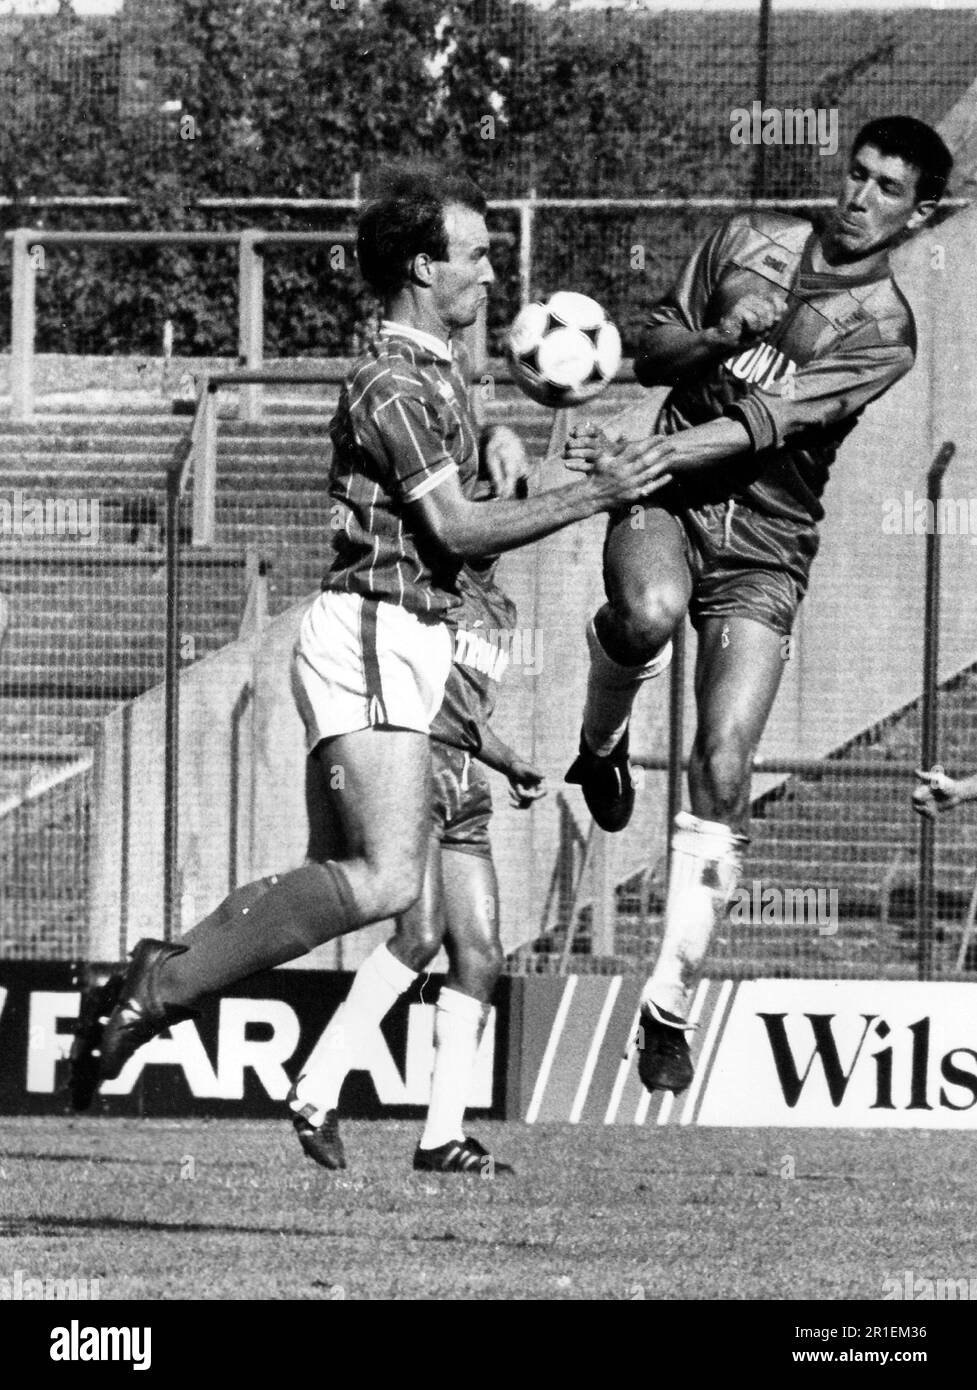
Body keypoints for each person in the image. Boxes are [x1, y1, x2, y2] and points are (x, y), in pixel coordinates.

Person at [68, 166, 672, 1109]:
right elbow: (456, 533)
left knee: (340, 876)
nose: (488, 271)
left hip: (405, 642)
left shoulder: (435, 374)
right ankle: (157, 987)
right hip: (374, 632)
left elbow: (461, 500)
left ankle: (153, 981)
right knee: (388, 880)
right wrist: (601, 493)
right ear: (424, 267)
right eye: (474, 253)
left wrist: (522, 448)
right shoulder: (390, 379)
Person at [564, 116, 953, 1094]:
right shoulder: (745, 237)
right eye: (855, 174)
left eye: (886, 189)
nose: (858, 198)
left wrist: (645, 449)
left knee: (724, 759)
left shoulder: (883, 333)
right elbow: (648, 350)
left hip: (766, 542)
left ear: (919, 213)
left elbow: (762, 423)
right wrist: (706, 335)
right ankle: (599, 744)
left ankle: (665, 1003)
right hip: (669, 505)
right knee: (645, 615)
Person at [291, 549, 541, 1176]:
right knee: (419, 934)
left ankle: (442, 1138)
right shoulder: (429, 592)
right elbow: (431, 706)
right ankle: (315, 1091)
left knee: (482, 956)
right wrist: (508, 756)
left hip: (464, 789)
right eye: (483, 488)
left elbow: (471, 707)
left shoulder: (501, 608)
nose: (497, 505)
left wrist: (494, 761)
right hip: (412, 775)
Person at [913, 765, 977, 819]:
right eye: (921, 789)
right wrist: (920, 774)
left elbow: (934, 814)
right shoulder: (949, 793)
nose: (920, 787)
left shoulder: (949, 798)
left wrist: (920, 774)